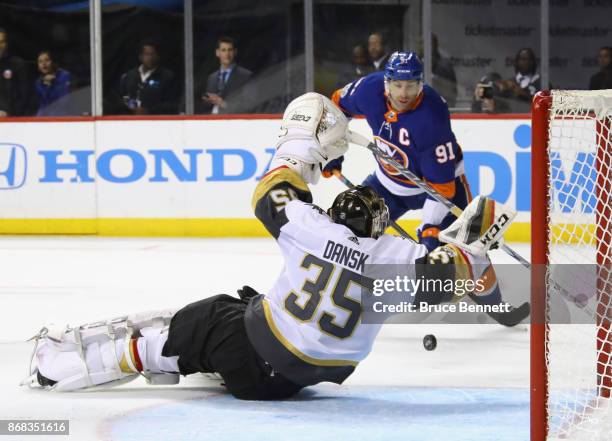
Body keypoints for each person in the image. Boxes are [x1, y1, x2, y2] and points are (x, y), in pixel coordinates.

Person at [22, 92, 522, 399]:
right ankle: (196, 359)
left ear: (335, 213)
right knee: (243, 306)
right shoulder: (393, 256)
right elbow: (440, 280)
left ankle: (57, 370)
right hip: (301, 380)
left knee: (189, 325)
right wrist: (472, 246)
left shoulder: (312, 229)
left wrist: (301, 143)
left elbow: (269, 196)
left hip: (251, 354)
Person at [327, 51, 468, 253]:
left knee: (460, 252)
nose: (403, 93)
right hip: (386, 185)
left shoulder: (431, 118)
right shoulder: (369, 90)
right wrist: (332, 151)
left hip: (439, 189)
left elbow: (442, 186)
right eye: (398, 85)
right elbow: (336, 108)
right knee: (348, 229)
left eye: (410, 85)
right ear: (387, 83)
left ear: (420, 84)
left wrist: (429, 226)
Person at [196, 36, 253, 114]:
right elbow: (206, 107)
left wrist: (223, 104)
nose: (227, 54)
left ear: (235, 52)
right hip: (212, 122)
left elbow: (250, 105)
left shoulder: (245, 76)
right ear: (217, 53)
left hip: (234, 123)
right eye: (223, 50)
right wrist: (207, 100)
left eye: (230, 50)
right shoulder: (212, 78)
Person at [118, 40, 178, 115]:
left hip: (156, 120)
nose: (150, 58)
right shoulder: (129, 76)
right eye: (146, 54)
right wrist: (131, 109)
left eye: (153, 54)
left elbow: (173, 104)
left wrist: (150, 110)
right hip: (131, 120)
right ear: (140, 57)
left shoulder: (168, 76)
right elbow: (122, 98)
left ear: (158, 56)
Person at [0, 28, 31, 117]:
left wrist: (8, 113)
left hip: (11, 120)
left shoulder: (17, 64)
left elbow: (24, 95)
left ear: (6, 44)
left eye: (1, 42)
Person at [35, 50, 72, 116]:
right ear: (38, 66)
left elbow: (64, 100)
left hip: (62, 115)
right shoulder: (39, 82)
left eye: (47, 60)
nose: (44, 63)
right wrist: (47, 84)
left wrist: (52, 83)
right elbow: (45, 102)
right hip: (45, 116)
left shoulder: (64, 75)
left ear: (53, 62)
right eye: (40, 62)